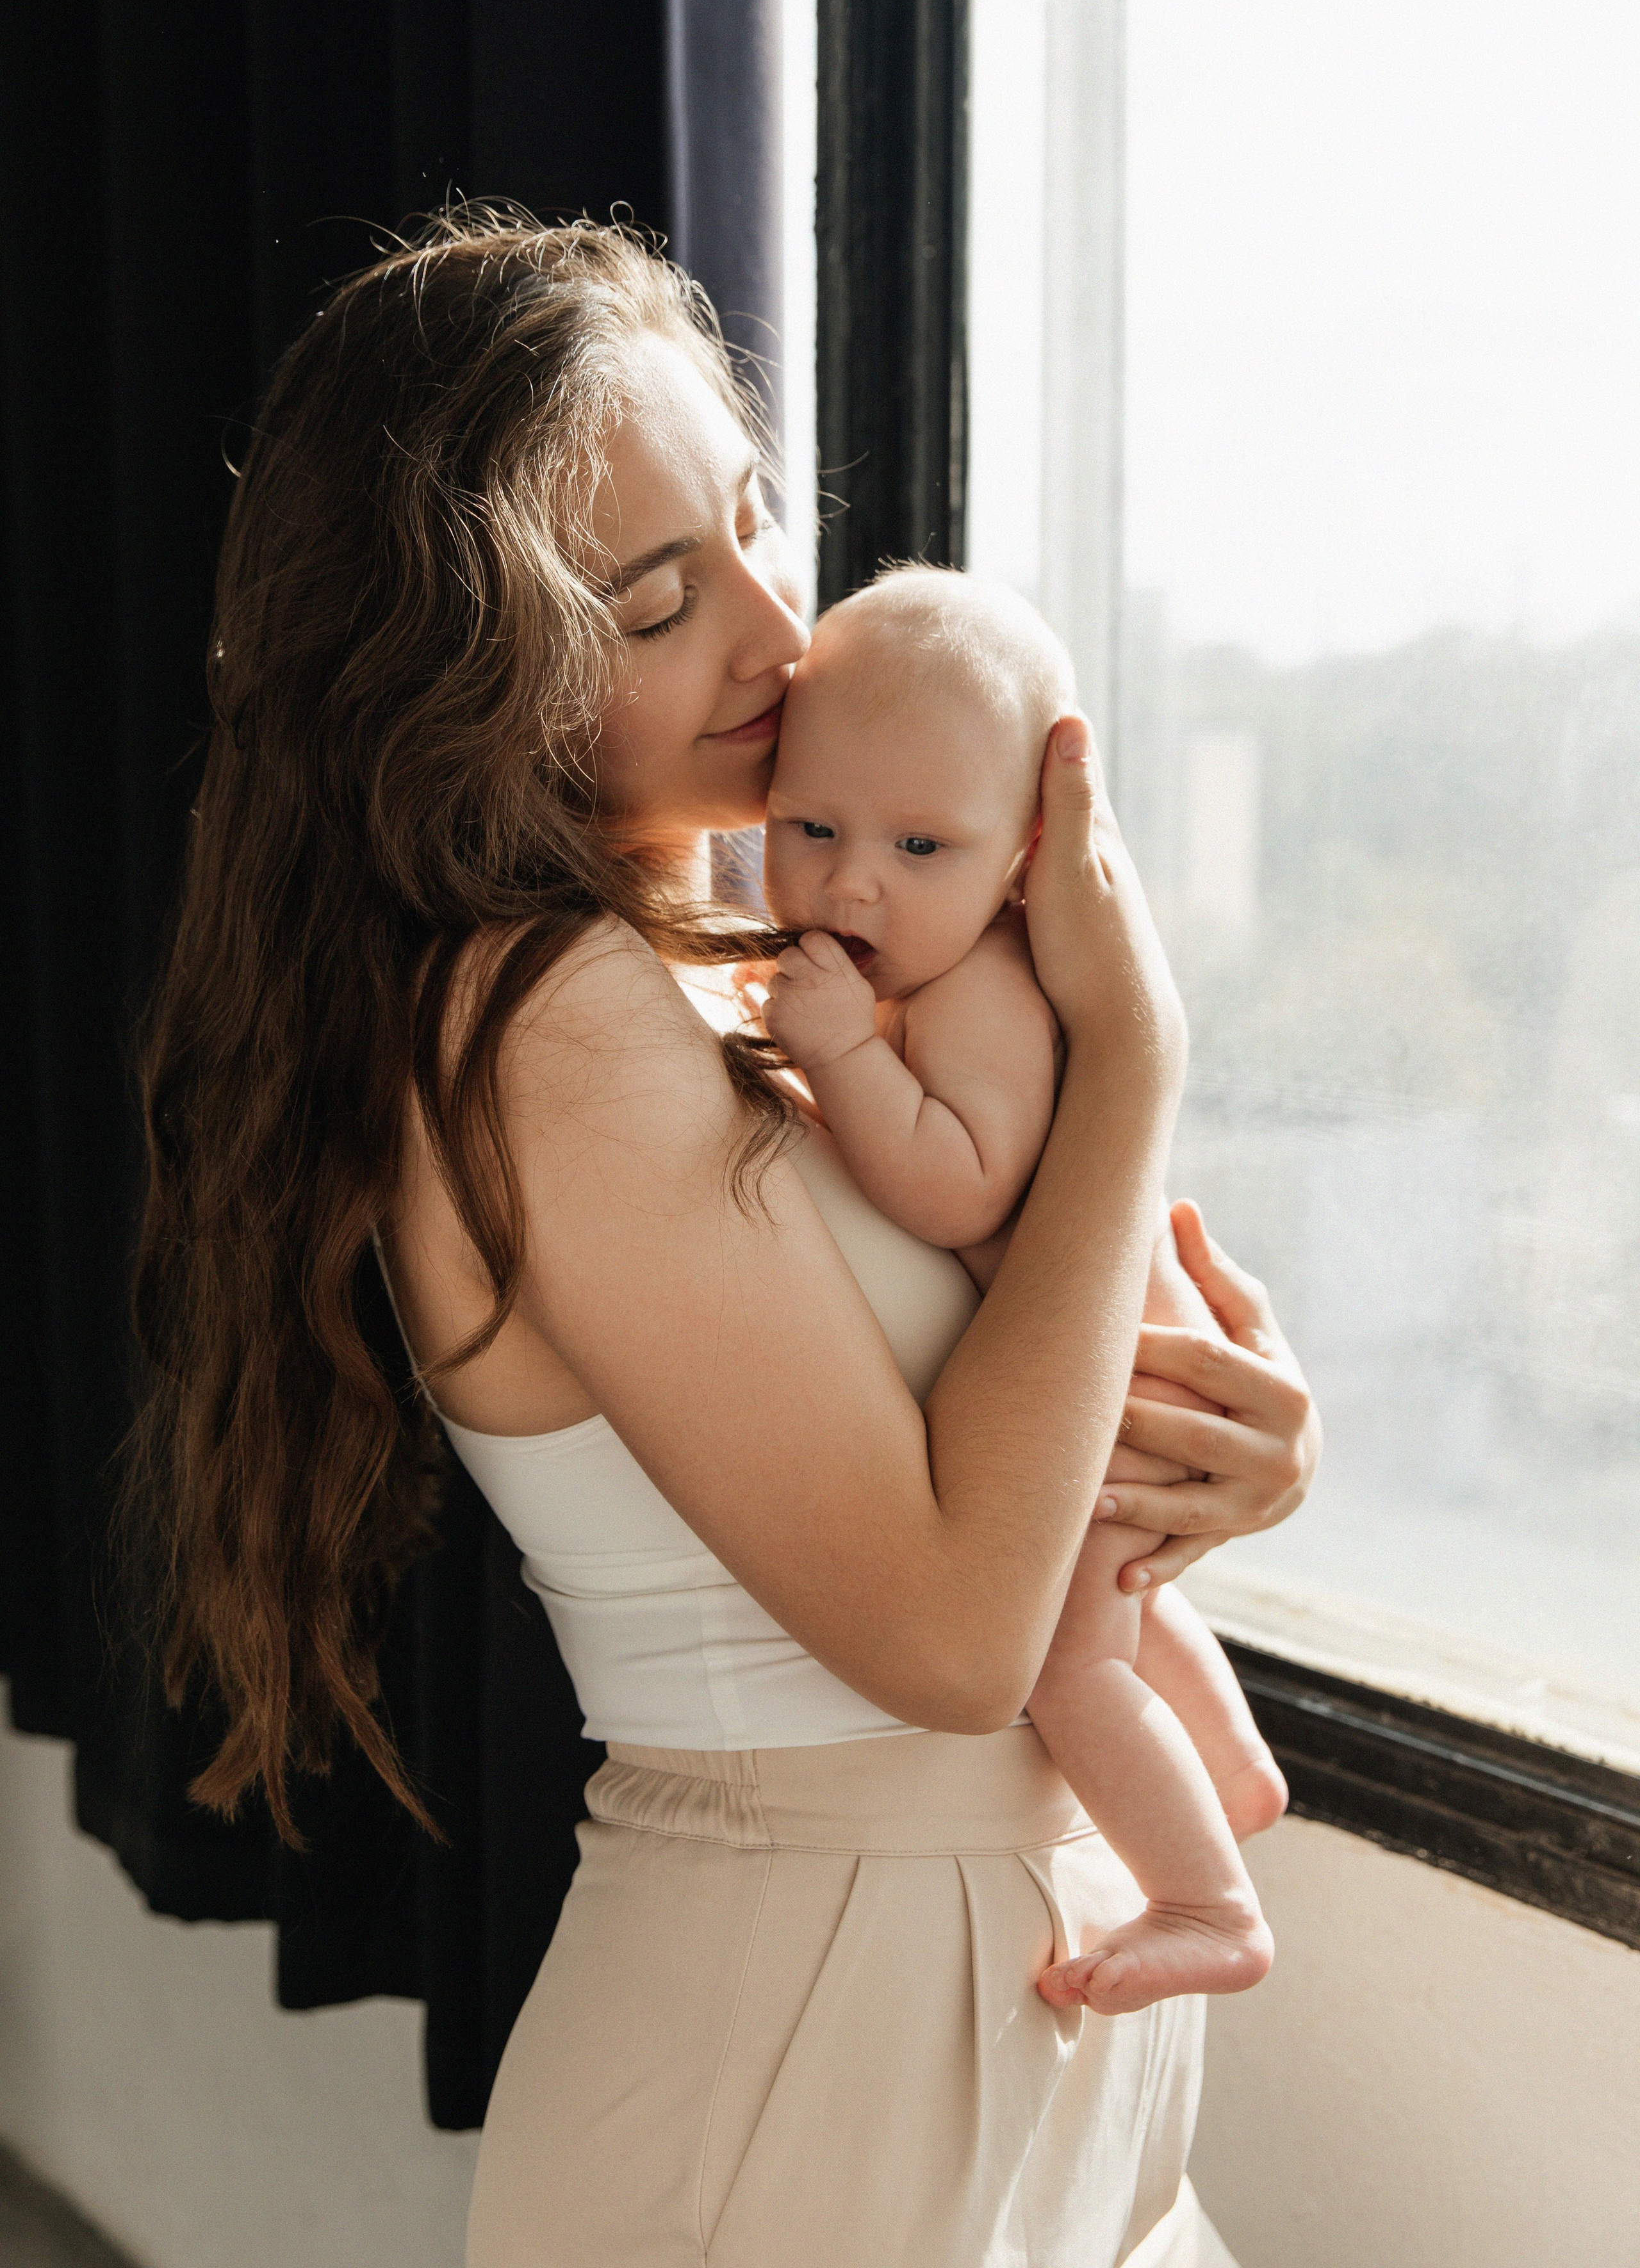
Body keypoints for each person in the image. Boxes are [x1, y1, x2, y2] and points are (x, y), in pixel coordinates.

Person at [133, 209, 1321, 2267]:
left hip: (983, 2022)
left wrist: (1227, 1450)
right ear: (472, 669)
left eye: (763, 519)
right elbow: (955, 1639)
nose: (784, 633)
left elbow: (989, 1421)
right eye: (665, 599)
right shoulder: (540, 1017)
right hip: (807, 2054)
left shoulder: (738, 962)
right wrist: (1135, 1061)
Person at [759, 566, 1288, 2019]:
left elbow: (961, 1188)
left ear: (1023, 861)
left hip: (1108, 1396)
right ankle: (1230, 1770)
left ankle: (1204, 1901)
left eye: (918, 844)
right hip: (1121, 1375)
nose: (849, 880)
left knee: (1068, 1667)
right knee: (1115, 1603)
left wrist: (842, 1062)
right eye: (809, 828)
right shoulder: (924, 962)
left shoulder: (977, 991)